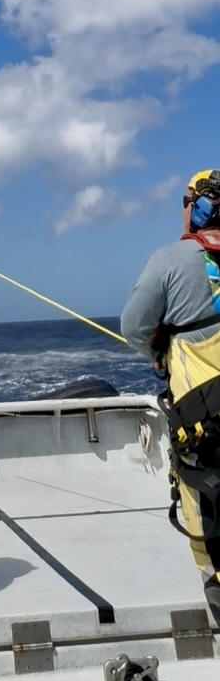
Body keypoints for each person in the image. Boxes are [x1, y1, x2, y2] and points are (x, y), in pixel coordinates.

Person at [121, 169, 220, 623]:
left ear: (197, 208)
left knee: (204, 504)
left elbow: (134, 325)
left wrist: (156, 354)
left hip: (204, 425)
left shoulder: (168, 261)